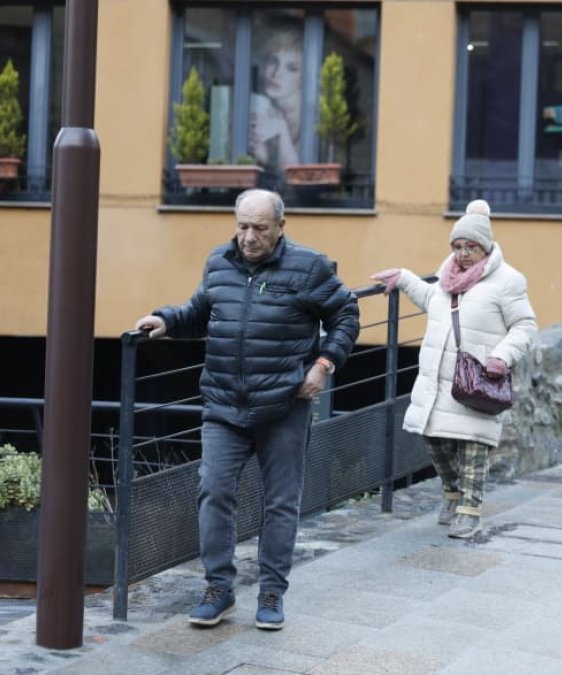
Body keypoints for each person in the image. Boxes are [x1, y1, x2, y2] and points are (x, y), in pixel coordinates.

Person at [134, 189, 360, 631]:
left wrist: (323, 364)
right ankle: (218, 590)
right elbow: (202, 312)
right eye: (241, 226)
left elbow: (346, 314)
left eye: (258, 228)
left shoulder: (309, 267)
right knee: (214, 491)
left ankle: (272, 592)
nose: (248, 237)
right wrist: (167, 320)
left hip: (284, 404)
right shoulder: (219, 261)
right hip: (223, 402)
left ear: (280, 226)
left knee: (280, 503)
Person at [370, 199, 537, 539]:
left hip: (479, 379)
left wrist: (502, 356)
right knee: (434, 440)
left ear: (485, 247)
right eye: (457, 246)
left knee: (474, 446)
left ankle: (469, 513)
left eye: (470, 246)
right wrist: (404, 278)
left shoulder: (508, 281)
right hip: (439, 380)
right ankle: (451, 493)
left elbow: (525, 325)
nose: (462, 253)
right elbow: (432, 300)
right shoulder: (447, 278)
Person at [250, 25, 303, 170]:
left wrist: (282, 130)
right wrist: (263, 157)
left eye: (291, 68)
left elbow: (296, 178)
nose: (277, 73)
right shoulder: (263, 112)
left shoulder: (315, 126)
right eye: (273, 61)